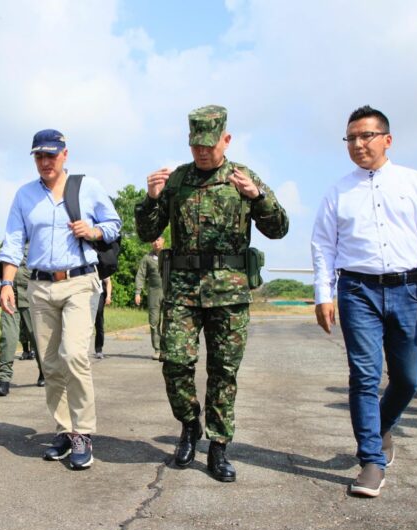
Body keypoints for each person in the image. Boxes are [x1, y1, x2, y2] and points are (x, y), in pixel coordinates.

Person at [135, 105, 289, 483]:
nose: (202, 152)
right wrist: (152, 199)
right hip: (183, 290)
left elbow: (280, 228)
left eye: (209, 145)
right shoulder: (177, 181)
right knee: (174, 363)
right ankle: (189, 425)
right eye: (195, 145)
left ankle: (219, 445)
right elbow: (145, 232)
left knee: (223, 371)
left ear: (226, 140)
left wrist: (258, 197)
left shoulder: (243, 178)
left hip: (230, 292)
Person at [311, 105, 417, 498]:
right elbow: (324, 246)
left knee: (408, 377)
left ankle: (381, 426)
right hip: (357, 290)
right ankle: (371, 461)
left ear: (387, 139)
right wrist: (324, 295)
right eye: (351, 138)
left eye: (366, 136)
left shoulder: (415, 183)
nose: (358, 144)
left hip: (409, 288)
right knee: (364, 375)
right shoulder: (338, 191)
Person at [0, 129, 121, 470]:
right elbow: (12, 242)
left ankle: (84, 432)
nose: (45, 162)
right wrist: (7, 283)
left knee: (74, 355)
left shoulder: (87, 188)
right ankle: (64, 430)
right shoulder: (24, 196)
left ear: (65, 154)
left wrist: (93, 231)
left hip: (79, 282)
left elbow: (114, 224)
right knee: (50, 363)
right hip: (38, 287)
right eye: (39, 156)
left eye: (51, 155)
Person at [0, 241, 44, 397]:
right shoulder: (8, 242)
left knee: (37, 338)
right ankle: (4, 380)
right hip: (9, 297)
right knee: (8, 337)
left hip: (32, 298)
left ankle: (44, 372)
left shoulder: (37, 239)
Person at [135, 237, 165, 360]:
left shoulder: (169, 255)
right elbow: (140, 275)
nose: (155, 242)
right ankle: (157, 350)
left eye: (158, 240)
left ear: (163, 240)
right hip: (154, 292)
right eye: (153, 240)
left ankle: (168, 349)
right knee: (154, 322)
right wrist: (138, 292)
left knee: (170, 321)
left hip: (170, 291)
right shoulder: (147, 258)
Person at [93, 277, 112, 359]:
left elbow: (108, 282)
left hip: (99, 294)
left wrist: (108, 296)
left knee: (99, 319)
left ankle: (99, 350)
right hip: (87, 294)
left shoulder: (100, 266)